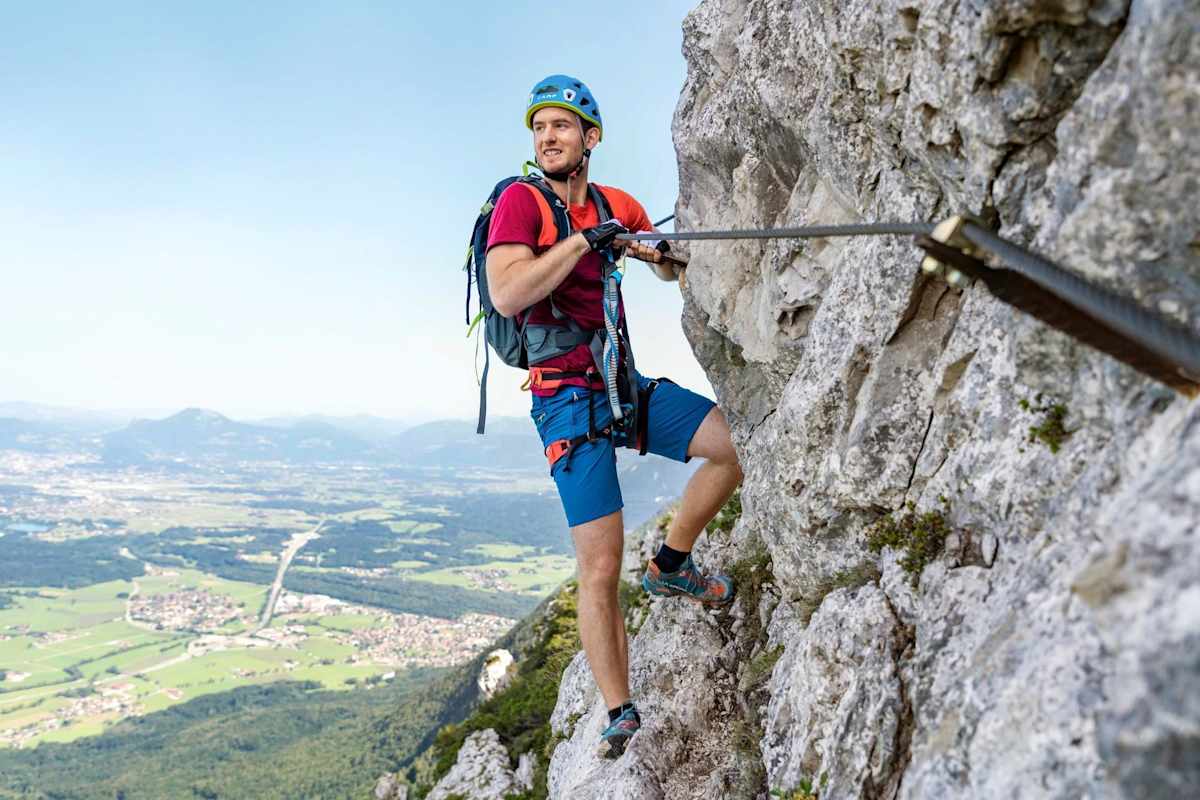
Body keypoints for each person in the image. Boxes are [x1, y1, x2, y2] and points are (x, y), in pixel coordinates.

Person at [484, 74, 744, 759]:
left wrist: (651, 250)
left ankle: (672, 565)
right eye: (540, 128)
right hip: (564, 400)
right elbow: (508, 293)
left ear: (589, 139)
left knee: (734, 443)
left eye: (561, 126)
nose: (547, 137)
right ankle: (620, 710)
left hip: (620, 384)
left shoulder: (613, 203)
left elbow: (660, 263)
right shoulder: (520, 202)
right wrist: (583, 241)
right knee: (599, 566)